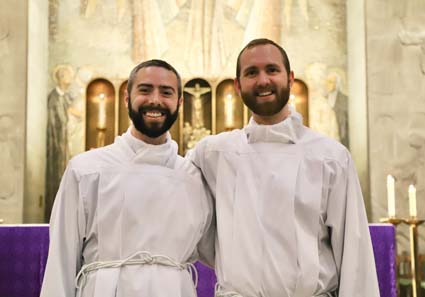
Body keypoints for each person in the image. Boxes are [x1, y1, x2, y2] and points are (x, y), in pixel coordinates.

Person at [188, 38, 380, 297]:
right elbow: (176, 203)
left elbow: (354, 255)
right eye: (251, 72)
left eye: (272, 70)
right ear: (237, 85)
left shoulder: (330, 157)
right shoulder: (213, 154)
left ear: (290, 79)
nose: (263, 80)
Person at [40, 59, 214, 297]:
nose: (155, 99)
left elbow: (219, 251)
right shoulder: (86, 170)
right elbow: (61, 259)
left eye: (166, 92)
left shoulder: (193, 177)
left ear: (180, 102)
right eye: (144, 90)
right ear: (126, 98)